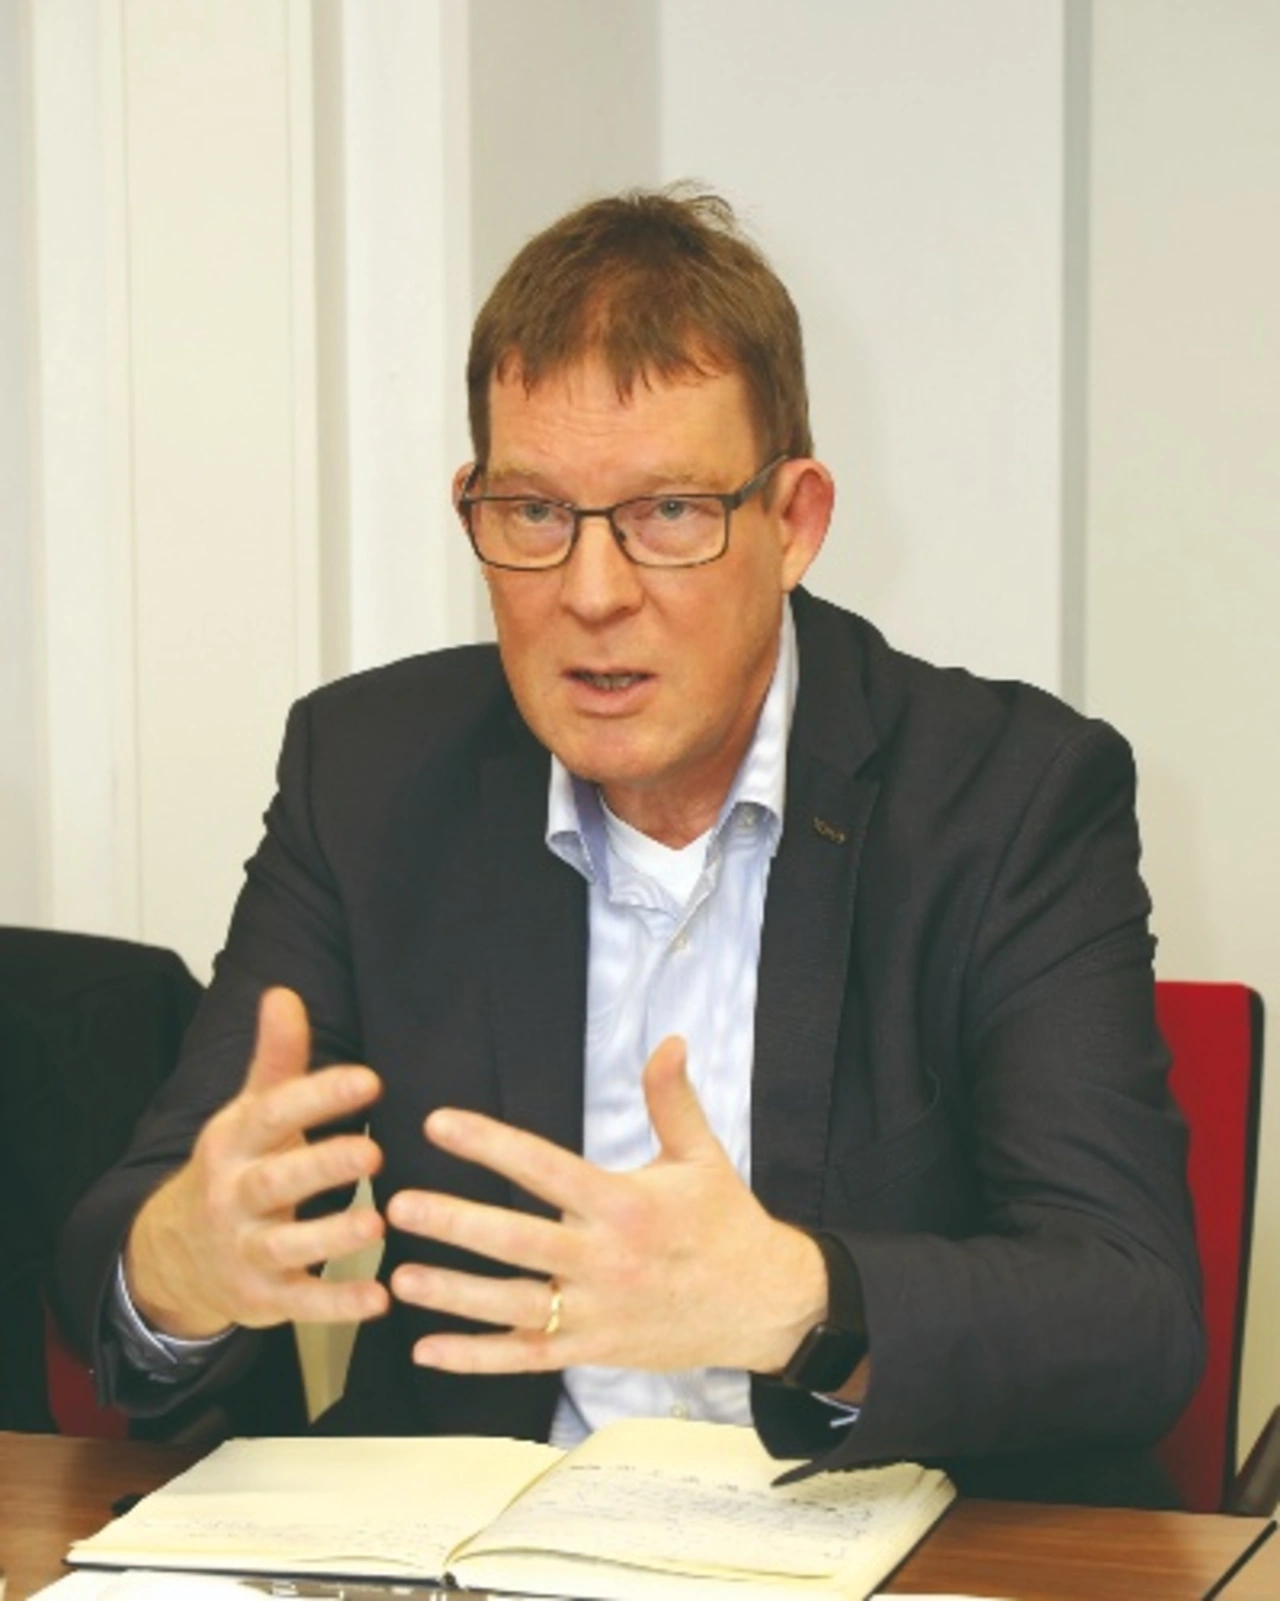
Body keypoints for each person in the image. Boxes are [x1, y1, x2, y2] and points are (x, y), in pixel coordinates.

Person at [55, 186, 1202, 1504]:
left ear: (794, 522)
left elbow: (1131, 1310)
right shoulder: (368, 776)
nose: (592, 593)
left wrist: (801, 1302)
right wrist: (180, 1264)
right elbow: (121, 1250)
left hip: (863, 1542)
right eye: (534, 513)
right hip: (470, 1552)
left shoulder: (1008, 799)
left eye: (667, 513)